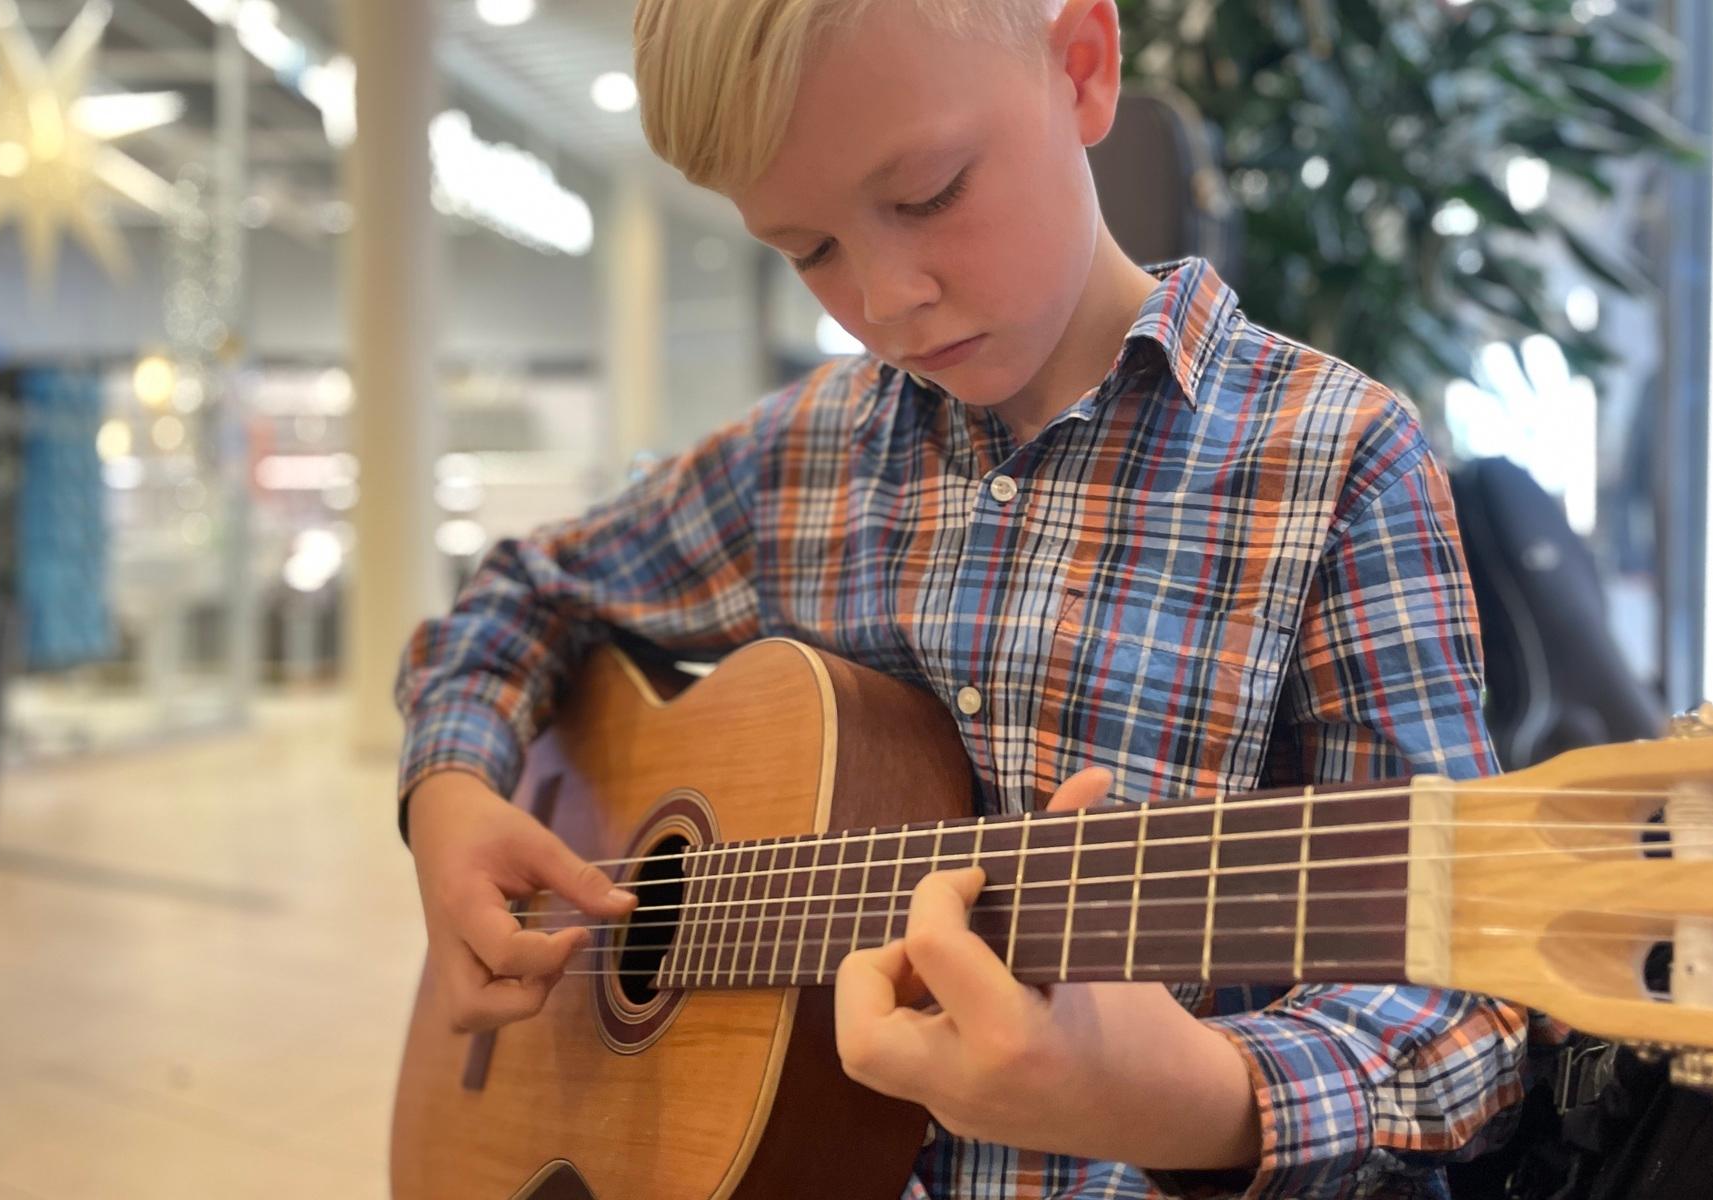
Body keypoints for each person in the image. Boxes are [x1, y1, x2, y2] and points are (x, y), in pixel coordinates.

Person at [394, 1, 1529, 1196]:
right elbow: (523, 590)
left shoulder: (1333, 463)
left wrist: (1197, 1098)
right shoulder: (806, 457)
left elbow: (1464, 1001)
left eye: (930, 192)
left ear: (1082, 67)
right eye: (808, 249)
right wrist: (452, 793)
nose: (884, 299)